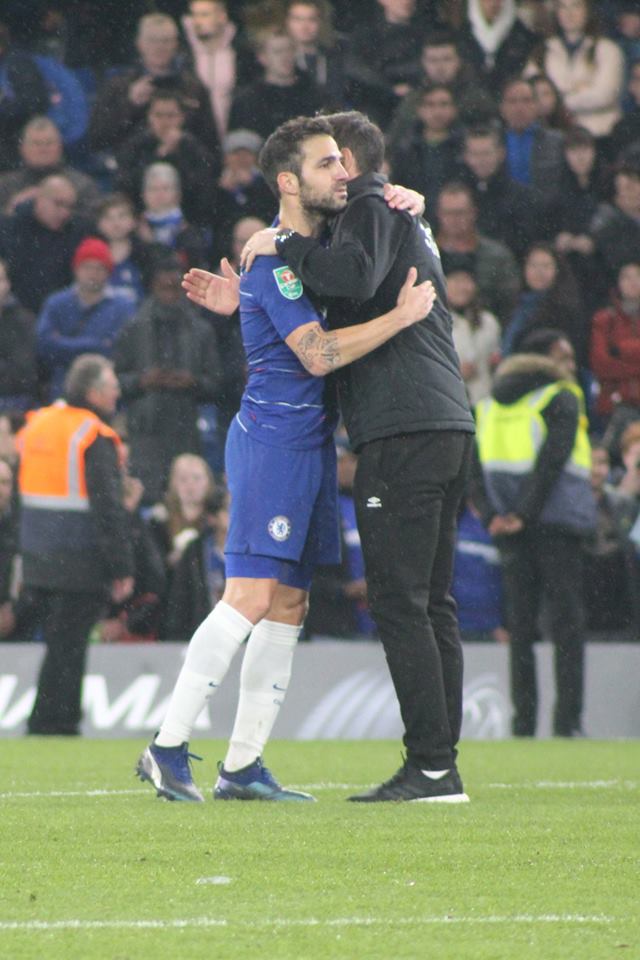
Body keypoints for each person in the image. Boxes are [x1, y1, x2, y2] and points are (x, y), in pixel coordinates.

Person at [136, 114, 436, 803]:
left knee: (290, 604)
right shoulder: (272, 259)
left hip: (309, 446)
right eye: (328, 163)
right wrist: (401, 316)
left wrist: (408, 197)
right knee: (247, 596)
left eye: (343, 161)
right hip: (273, 443)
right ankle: (166, 745)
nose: (343, 172)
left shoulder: (306, 254)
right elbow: (318, 354)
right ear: (288, 182)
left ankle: (243, 766)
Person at [472, 327, 596, 737]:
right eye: (565, 357)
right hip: (556, 523)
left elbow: (472, 467)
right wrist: (525, 513)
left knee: (520, 626)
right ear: (544, 359)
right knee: (567, 623)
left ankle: (523, 724)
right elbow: (553, 460)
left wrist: (494, 515)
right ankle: (567, 723)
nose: (571, 366)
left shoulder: (487, 404)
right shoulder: (561, 396)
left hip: (508, 525)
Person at [17, 354, 134, 735]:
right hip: (78, 557)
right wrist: (122, 567)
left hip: (36, 556)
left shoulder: (39, 422)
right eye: (112, 386)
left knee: (58, 642)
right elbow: (107, 508)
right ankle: (56, 723)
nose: (117, 392)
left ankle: (49, 719)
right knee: (69, 646)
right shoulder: (92, 434)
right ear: (94, 392)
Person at [113, 256, 222, 504]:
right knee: (147, 499)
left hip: (186, 427)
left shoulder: (201, 330)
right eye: (164, 288)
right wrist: (143, 381)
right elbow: (115, 381)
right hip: (145, 430)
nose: (170, 295)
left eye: (175, 289)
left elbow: (216, 383)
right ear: (152, 287)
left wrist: (192, 382)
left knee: (187, 501)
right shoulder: (133, 329)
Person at [36, 236, 135, 401]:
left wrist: (65, 345)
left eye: (99, 268)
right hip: (63, 392)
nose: (92, 274)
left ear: (108, 272)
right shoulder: (56, 303)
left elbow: (122, 351)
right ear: (76, 269)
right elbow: (45, 346)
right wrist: (96, 345)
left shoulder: (123, 306)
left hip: (108, 396)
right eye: (87, 267)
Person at [0, 173, 90, 313]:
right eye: (58, 204)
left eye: (70, 207)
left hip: (61, 314)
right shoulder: (10, 229)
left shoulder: (79, 233)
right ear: (40, 199)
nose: (65, 213)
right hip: (15, 313)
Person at [0, 115, 100, 218]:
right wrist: (12, 209)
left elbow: (91, 220)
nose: (43, 149)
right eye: (36, 143)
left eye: (49, 143)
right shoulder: (5, 186)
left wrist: (62, 207)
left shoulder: (82, 185)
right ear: (23, 148)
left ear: (60, 147)